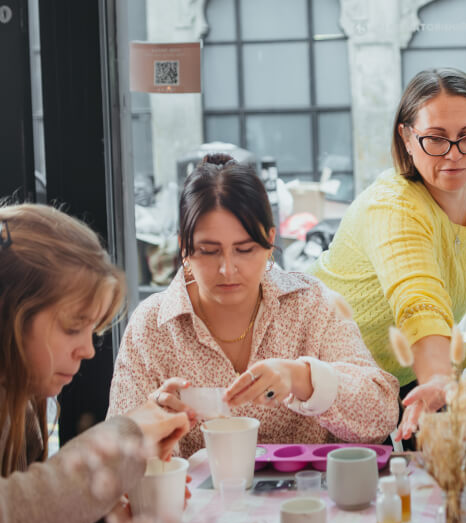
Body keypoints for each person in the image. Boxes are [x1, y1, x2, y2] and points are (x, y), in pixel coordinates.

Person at [309, 68, 466, 439]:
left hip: (413, 375)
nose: (454, 155)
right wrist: (441, 381)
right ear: (406, 137)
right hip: (337, 378)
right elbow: (419, 302)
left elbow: (461, 241)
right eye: (435, 139)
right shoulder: (392, 208)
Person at [108, 154, 399, 457]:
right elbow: (115, 457)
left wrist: (301, 378)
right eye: (209, 251)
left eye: (245, 249)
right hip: (197, 502)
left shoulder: (311, 304)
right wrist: (148, 429)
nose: (228, 269)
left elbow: (381, 416)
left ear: (270, 242)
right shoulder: (153, 325)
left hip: (306, 500)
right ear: (185, 249)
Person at [0, 203, 190, 523]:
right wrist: (119, 441)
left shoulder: (21, 404)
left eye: (94, 331)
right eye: (73, 327)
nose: (87, 350)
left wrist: (102, 511)